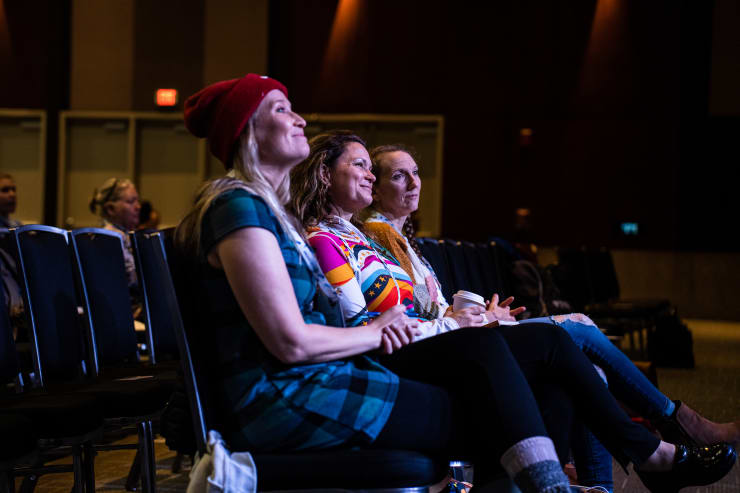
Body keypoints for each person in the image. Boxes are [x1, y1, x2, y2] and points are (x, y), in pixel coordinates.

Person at [175, 74, 592, 493]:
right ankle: (559, 486)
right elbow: (291, 343)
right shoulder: (236, 206)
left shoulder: (268, 212)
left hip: (317, 380)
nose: (300, 119)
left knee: (496, 374)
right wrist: (375, 332)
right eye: (282, 109)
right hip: (284, 398)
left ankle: (562, 483)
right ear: (246, 131)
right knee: (497, 410)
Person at [289, 129, 736, 493]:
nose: (370, 175)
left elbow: (414, 306)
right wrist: (457, 322)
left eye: (372, 166)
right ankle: (650, 454)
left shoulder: (359, 238)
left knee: (559, 360)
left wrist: (469, 317)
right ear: (325, 176)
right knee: (556, 339)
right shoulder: (325, 240)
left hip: (434, 341)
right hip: (395, 356)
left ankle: (582, 483)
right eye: (360, 165)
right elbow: (364, 324)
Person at [89, 178, 141, 288]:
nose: (138, 207)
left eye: (137, 201)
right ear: (110, 208)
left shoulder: (125, 234)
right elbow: (127, 281)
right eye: (131, 202)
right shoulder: (109, 238)